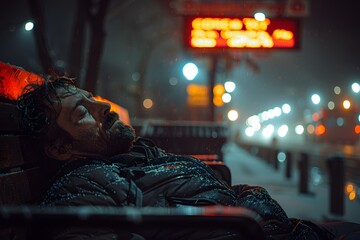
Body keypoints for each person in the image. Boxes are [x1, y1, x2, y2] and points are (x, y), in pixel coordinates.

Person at [17, 75, 359, 240]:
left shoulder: (138, 157)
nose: (103, 106)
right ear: (60, 148)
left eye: (93, 99)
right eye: (82, 112)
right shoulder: (82, 186)